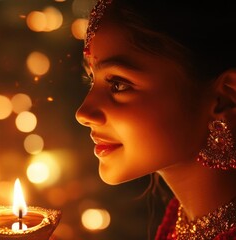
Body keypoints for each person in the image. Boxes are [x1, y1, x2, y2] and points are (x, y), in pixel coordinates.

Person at [76, 0, 236, 239]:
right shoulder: (183, 220)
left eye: (118, 85)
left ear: (225, 99)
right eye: (91, 80)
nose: (83, 113)